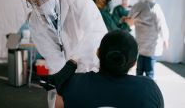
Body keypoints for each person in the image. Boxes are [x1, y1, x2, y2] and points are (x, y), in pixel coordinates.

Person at [16, 0, 107, 108]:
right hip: (66, 70)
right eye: (33, 2)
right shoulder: (35, 21)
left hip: (92, 64)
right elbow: (52, 55)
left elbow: (95, 32)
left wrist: (73, 61)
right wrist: (62, 84)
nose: (39, 5)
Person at [36, 30, 164, 108]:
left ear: (98, 53)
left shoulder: (72, 83)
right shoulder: (149, 89)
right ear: (134, 63)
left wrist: (70, 65)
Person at [124, 0, 169, 79]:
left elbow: (129, 21)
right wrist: (165, 38)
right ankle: (148, 90)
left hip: (140, 43)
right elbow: (161, 24)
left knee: (139, 71)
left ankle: (137, 89)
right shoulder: (155, 6)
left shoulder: (137, 5)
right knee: (149, 72)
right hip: (152, 45)